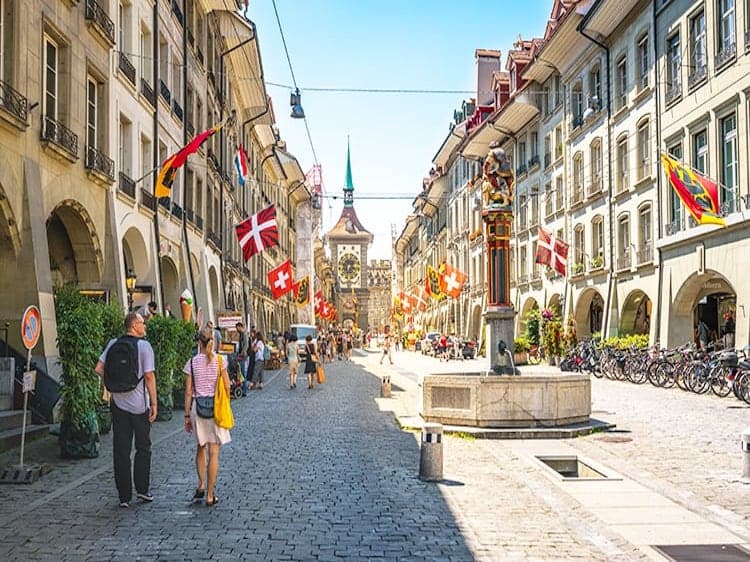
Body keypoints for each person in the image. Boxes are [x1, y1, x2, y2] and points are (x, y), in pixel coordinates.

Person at [94, 312, 157, 508]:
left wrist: (114, 382)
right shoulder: (144, 346)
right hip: (139, 405)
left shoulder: (114, 343)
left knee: (120, 450)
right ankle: (142, 490)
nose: (145, 326)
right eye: (143, 323)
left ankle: (124, 496)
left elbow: (98, 368)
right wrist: (154, 403)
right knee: (143, 447)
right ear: (135, 325)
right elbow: (149, 377)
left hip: (118, 404)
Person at [183, 327, 231, 507]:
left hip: (198, 408)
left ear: (198, 343)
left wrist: (187, 415)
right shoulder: (220, 361)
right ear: (212, 341)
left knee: (200, 447)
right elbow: (227, 386)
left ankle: (201, 484)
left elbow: (188, 391)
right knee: (214, 452)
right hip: (216, 408)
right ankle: (210, 495)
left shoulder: (192, 363)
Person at [235, 322, 249, 396]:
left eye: (237, 328)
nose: (236, 330)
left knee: (243, 374)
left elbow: (246, 345)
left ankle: (244, 390)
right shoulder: (241, 334)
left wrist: (242, 353)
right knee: (240, 373)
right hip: (241, 355)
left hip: (243, 356)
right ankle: (242, 388)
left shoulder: (244, 334)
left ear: (240, 327)